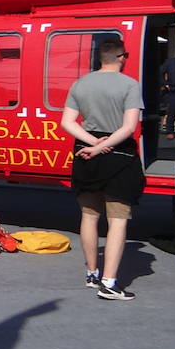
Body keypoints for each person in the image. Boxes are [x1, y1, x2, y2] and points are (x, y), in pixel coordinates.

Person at [60, 37, 145, 300]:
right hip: (118, 155)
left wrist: (92, 143)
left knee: (89, 215)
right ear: (122, 57)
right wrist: (102, 145)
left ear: (100, 58)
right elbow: (129, 127)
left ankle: (92, 273)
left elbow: (67, 122)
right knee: (117, 220)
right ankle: (109, 283)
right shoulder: (130, 85)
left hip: (86, 154)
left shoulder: (80, 83)